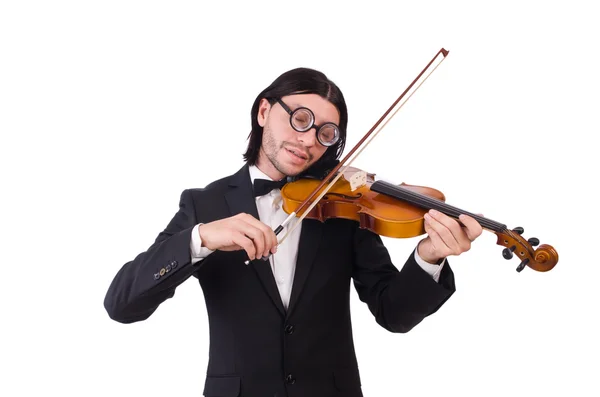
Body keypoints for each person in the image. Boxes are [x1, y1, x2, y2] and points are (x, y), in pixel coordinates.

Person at [103, 67, 483, 397]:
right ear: (265, 111)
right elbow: (122, 303)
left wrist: (429, 257)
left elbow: (394, 314)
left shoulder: (344, 205)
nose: (308, 140)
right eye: (300, 119)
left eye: (326, 133)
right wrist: (200, 238)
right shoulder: (205, 205)